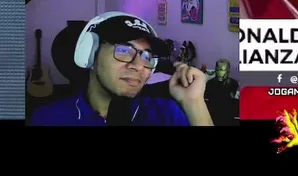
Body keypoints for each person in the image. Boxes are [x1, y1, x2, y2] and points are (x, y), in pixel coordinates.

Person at [28, 11, 212, 126]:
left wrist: (194, 103)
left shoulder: (166, 114)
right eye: (123, 50)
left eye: (147, 56)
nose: (138, 66)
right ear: (90, 54)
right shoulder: (48, 118)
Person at [204, 58, 240, 125]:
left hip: (227, 117)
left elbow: (232, 98)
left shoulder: (233, 83)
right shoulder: (210, 83)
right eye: (217, 69)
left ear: (228, 70)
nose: (219, 72)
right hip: (212, 117)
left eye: (221, 70)